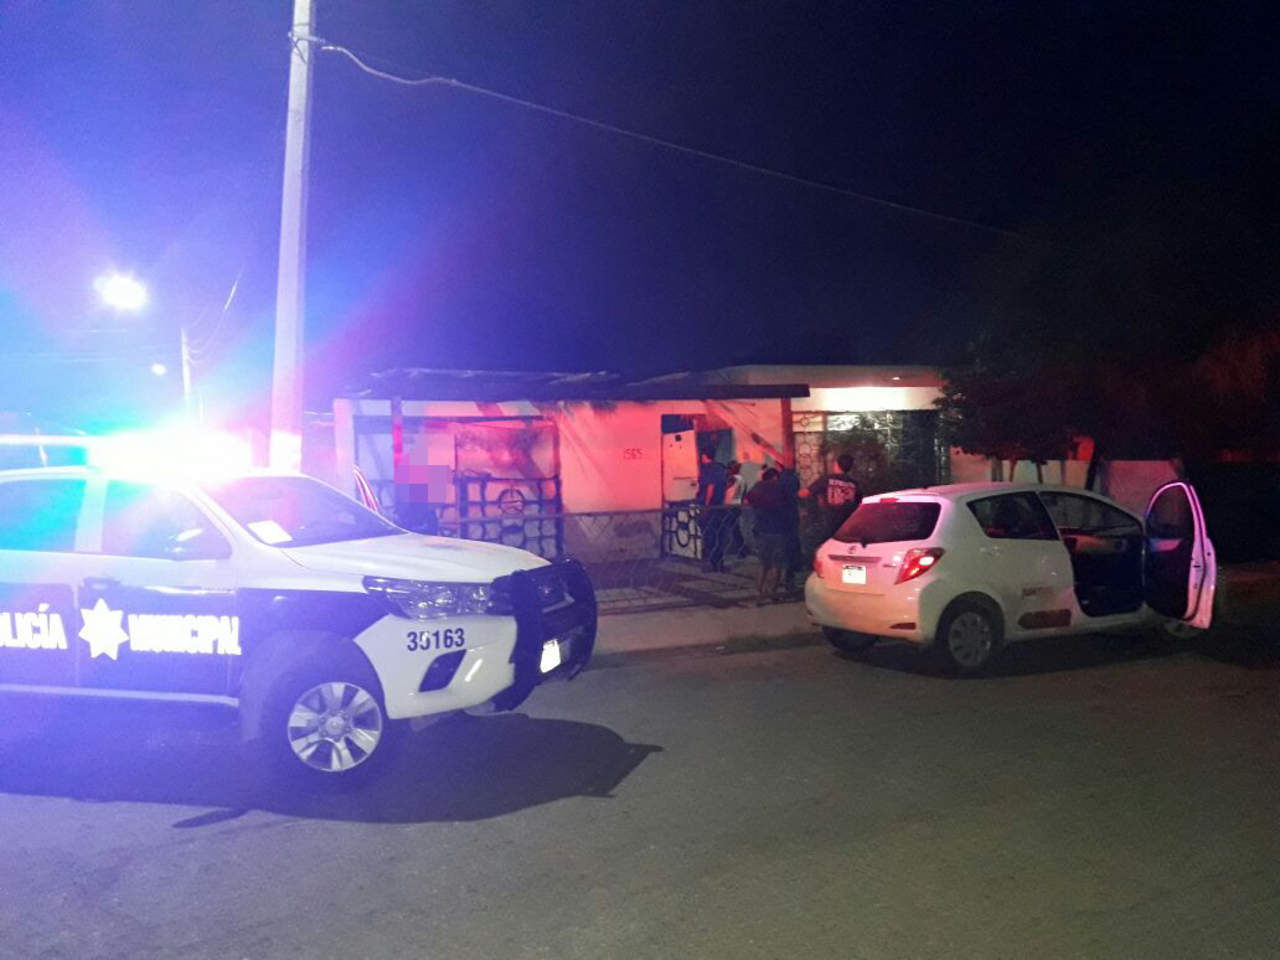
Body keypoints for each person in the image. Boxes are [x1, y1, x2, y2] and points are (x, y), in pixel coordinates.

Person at [744, 467, 789, 604]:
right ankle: (772, 592)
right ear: (775, 477)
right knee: (777, 564)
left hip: (762, 528)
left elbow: (747, 500)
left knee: (764, 563)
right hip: (779, 528)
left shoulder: (758, 486)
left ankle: (759, 593)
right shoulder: (780, 487)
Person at [809, 452, 860, 540]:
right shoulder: (854, 484)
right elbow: (858, 503)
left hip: (829, 524)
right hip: (847, 525)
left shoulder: (826, 480)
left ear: (836, 464)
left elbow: (806, 493)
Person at [696, 450, 730, 572]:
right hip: (720, 506)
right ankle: (719, 563)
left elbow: (710, 487)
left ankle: (712, 563)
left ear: (705, 456)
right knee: (719, 535)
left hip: (710, 508)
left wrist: (706, 505)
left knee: (709, 535)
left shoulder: (707, 469)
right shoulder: (720, 468)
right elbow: (725, 486)